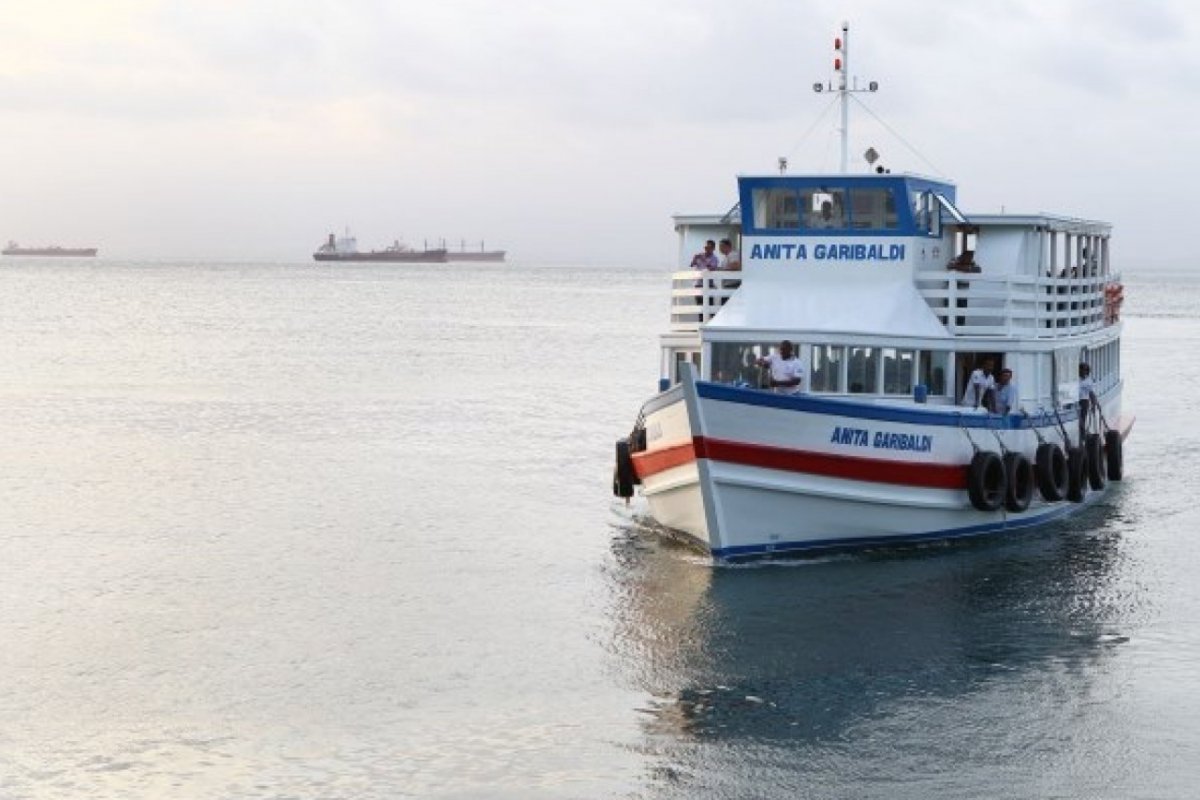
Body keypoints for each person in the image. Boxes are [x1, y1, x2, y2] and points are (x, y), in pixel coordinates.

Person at [1078, 362, 1097, 437]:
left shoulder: (1088, 381)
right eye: (1082, 370)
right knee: (1079, 419)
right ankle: (1082, 433)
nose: (1083, 372)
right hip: (1076, 400)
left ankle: (1082, 435)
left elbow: (1091, 394)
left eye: (1085, 370)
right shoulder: (1076, 379)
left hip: (1084, 401)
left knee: (1082, 418)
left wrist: (1093, 405)